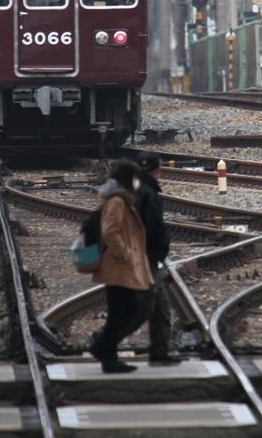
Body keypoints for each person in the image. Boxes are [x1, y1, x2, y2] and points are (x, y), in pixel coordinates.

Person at [88, 159, 153, 373]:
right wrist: (123, 253)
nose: (137, 182)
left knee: (125, 309)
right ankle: (107, 356)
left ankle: (104, 349)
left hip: (119, 265)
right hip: (116, 264)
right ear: (128, 179)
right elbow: (109, 232)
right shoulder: (117, 201)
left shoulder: (120, 199)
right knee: (121, 311)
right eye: (135, 178)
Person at [134, 151, 182, 365]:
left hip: (134, 254)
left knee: (154, 304)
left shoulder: (133, 190)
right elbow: (154, 226)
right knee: (151, 305)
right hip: (145, 256)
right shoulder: (149, 193)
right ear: (158, 170)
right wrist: (161, 249)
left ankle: (159, 352)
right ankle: (104, 342)